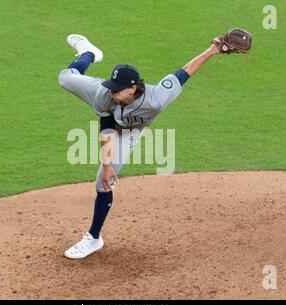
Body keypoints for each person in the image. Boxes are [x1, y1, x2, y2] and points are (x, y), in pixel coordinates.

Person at [58, 30, 251, 259]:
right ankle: (88, 52)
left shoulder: (157, 98)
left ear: (132, 88)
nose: (113, 90)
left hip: (131, 131)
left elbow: (183, 73)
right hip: (110, 120)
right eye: (112, 85)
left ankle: (93, 238)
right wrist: (107, 162)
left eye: (117, 88)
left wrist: (212, 51)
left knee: (103, 182)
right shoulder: (105, 93)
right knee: (65, 78)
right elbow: (107, 126)